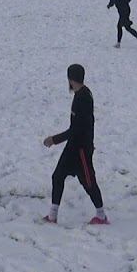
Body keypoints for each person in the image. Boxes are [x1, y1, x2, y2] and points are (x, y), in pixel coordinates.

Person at [42, 64, 107, 225]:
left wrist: (54, 139)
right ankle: (52, 215)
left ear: (70, 79)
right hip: (73, 147)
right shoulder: (82, 94)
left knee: (88, 182)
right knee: (57, 176)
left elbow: (77, 129)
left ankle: (101, 216)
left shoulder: (82, 98)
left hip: (81, 150)